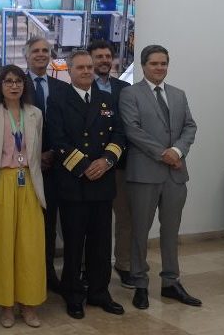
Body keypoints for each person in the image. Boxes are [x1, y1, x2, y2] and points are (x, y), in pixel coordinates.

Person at [119, 45, 200, 310]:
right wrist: (163, 153)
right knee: (140, 231)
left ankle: (170, 282)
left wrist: (177, 151)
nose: (159, 68)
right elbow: (132, 129)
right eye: (154, 63)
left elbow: (189, 126)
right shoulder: (130, 94)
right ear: (143, 65)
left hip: (175, 174)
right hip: (144, 174)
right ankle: (140, 283)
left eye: (163, 63)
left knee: (171, 231)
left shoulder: (178, 94)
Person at [47, 50, 126, 320]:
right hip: (74, 183)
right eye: (80, 67)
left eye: (89, 67)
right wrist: (84, 167)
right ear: (69, 71)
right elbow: (57, 139)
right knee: (73, 244)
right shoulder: (58, 99)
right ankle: (73, 294)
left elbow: (119, 134)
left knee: (101, 244)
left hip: (102, 182)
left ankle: (99, 292)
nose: (86, 71)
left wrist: (106, 161)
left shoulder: (107, 99)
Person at [0, 65, 46, 328]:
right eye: (8, 81)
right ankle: (6, 306)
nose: (14, 86)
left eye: (18, 81)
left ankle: (29, 305)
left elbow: (36, 152)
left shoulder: (35, 114)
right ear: (0, 85)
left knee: (30, 246)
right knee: (2, 246)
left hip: (28, 181)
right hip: (1, 182)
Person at [24, 35, 68, 292]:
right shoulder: (15, 85)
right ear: (27, 55)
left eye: (45, 50)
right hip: (23, 167)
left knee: (49, 224)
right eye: (36, 51)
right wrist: (34, 156)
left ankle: (48, 272)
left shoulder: (62, 87)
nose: (41, 54)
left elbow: (66, 126)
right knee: (26, 225)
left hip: (55, 167)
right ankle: (26, 275)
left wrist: (53, 153)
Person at [87, 39, 132, 288]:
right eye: (99, 56)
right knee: (92, 222)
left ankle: (123, 264)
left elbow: (128, 125)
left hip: (120, 164)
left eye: (107, 56)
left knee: (125, 218)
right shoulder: (81, 85)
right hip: (91, 166)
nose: (104, 60)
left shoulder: (125, 88)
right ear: (90, 59)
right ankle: (88, 267)